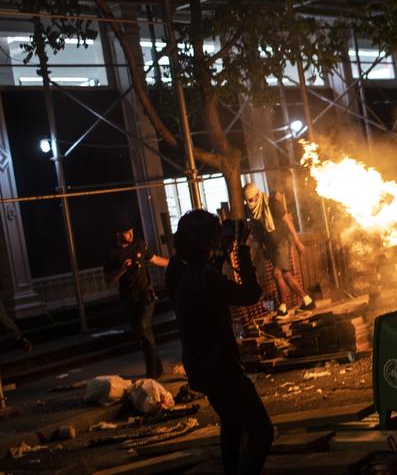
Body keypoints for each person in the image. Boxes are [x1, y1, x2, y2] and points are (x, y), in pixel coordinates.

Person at [167, 210, 273, 475]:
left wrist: (220, 256)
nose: (217, 243)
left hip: (201, 367)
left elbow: (203, 276)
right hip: (222, 368)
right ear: (205, 244)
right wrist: (243, 250)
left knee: (232, 421)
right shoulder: (205, 279)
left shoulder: (178, 273)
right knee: (262, 431)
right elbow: (251, 293)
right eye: (213, 240)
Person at [103, 220, 168, 378]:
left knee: (143, 327)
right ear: (118, 234)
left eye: (132, 231)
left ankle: (151, 371)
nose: (131, 234)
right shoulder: (112, 253)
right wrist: (122, 269)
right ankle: (158, 368)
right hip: (128, 298)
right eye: (127, 232)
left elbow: (153, 259)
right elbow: (108, 280)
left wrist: (173, 263)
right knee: (142, 333)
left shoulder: (139, 244)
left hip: (145, 294)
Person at [242, 183, 315, 316]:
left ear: (258, 194)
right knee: (286, 275)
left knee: (277, 273)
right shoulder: (250, 210)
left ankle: (283, 308)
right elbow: (257, 230)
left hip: (282, 241)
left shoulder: (272, 203)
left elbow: (288, 221)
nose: (250, 202)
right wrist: (261, 250)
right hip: (272, 246)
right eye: (248, 200)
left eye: (252, 199)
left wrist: (297, 241)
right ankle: (308, 300)